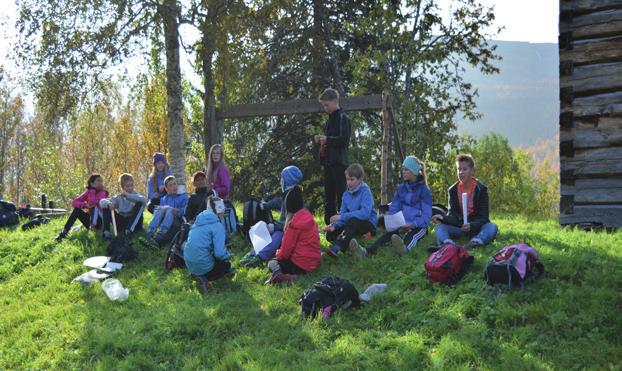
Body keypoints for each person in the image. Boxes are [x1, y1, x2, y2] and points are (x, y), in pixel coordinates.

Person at [356, 156, 432, 256]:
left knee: (413, 236)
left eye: (406, 169)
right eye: (403, 169)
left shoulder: (424, 191)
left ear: (413, 171)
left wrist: (412, 224)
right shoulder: (401, 188)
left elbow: (426, 216)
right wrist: (395, 223)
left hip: (418, 226)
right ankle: (367, 251)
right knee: (387, 236)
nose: (403, 172)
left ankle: (404, 249)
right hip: (402, 224)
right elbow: (394, 207)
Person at [239, 165, 303, 267]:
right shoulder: (288, 194)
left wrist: (275, 227)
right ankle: (253, 253)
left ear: (287, 180)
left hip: (291, 232)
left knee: (277, 235)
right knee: (264, 227)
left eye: (282, 178)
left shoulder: (294, 198)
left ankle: (259, 258)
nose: (281, 181)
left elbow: (293, 224)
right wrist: (265, 206)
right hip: (284, 228)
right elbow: (276, 202)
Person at [432, 154, 498, 249]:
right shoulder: (453, 190)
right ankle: (448, 244)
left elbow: (484, 217)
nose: (461, 172)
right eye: (459, 169)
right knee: (439, 228)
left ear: (472, 171)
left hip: (476, 228)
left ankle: (475, 242)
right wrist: (442, 218)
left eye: (464, 169)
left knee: (492, 227)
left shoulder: (481, 189)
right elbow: (453, 215)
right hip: (459, 227)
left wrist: (471, 225)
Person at [265, 185, 321, 284]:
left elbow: (285, 251)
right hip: (314, 263)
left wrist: (278, 254)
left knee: (272, 262)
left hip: (299, 264)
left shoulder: (293, 225)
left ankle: (280, 275)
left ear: (288, 208)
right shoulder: (310, 219)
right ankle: (292, 276)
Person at [314, 88, 351, 225]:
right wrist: (321, 140)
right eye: (323, 105)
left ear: (335, 101)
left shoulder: (343, 118)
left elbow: (343, 140)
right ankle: (328, 223)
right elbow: (329, 140)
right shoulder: (329, 121)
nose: (325, 108)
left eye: (326, 105)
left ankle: (342, 222)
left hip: (339, 162)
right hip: (328, 162)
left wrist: (327, 139)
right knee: (328, 194)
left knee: (341, 194)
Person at [325, 163, 377, 257]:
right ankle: (352, 244)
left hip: (367, 223)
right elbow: (343, 214)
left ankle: (338, 247)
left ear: (360, 179)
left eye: (352, 179)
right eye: (347, 179)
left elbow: (365, 214)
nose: (349, 182)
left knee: (352, 221)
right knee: (330, 234)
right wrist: (334, 226)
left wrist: (341, 217)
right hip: (351, 224)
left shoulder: (365, 191)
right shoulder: (346, 195)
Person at [183, 198, 234, 293]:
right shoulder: (217, 226)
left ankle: (196, 273)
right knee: (226, 265)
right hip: (203, 264)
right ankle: (203, 278)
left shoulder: (197, 222)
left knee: (205, 254)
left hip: (189, 263)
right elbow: (219, 253)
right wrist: (228, 255)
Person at [55, 173, 109, 242]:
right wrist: (85, 205)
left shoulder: (103, 192)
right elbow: (74, 202)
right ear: (92, 184)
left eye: (101, 181)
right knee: (77, 209)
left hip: (100, 222)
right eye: (98, 181)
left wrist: (92, 194)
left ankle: (93, 226)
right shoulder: (88, 192)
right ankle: (64, 232)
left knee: (93, 206)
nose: (101, 183)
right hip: (89, 220)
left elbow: (94, 202)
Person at [99, 173, 147, 239]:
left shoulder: (136, 195)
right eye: (127, 186)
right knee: (106, 207)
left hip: (134, 223)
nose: (130, 188)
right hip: (122, 221)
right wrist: (109, 204)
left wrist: (128, 195)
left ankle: (129, 231)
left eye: (132, 185)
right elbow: (102, 201)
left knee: (140, 203)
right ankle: (106, 233)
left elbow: (144, 200)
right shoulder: (118, 197)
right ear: (122, 187)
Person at [147, 175, 188, 244]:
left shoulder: (183, 197)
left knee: (169, 210)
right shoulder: (164, 199)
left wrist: (178, 211)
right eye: (171, 185)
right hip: (166, 219)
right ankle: (150, 231)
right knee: (160, 209)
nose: (174, 187)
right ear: (166, 189)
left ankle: (161, 233)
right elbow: (161, 213)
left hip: (178, 219)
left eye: (175, 184)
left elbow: (185, 210)